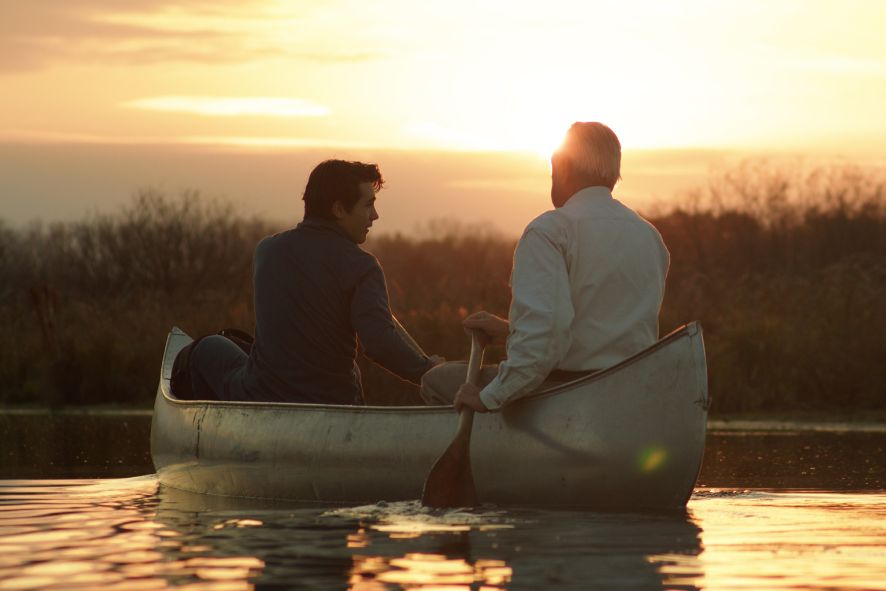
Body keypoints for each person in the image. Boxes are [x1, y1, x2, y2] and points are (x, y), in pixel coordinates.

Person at [420, 122, 670, 412]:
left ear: (561, 166)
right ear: (613, 175)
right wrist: (511, 331)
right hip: (631, 390)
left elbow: (545, 342)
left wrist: (489, 397)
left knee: (436, 379)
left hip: (570, 391)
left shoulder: (549, 230)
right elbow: (597, 328)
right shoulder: (649, 236)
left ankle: (500, 451)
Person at [188, 159, 442, 404]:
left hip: (262, 395)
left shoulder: (266, 251)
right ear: (339, 209)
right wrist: (428, 371)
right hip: (334, 401)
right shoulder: (363, 266)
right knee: (350, 370)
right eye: (368, 205)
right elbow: (379, 343)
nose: (375, 215)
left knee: (206, 347)